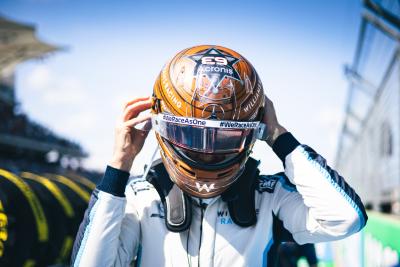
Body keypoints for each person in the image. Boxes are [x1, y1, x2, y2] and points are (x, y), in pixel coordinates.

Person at [71, 45, 367, 267]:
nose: (207, 152)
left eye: (224, 137)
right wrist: (119, 166)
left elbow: (346, 219)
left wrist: (280, 138)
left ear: (253, 132)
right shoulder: (141, 195)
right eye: (190, 135)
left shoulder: (268, 197)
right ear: (161, 128)